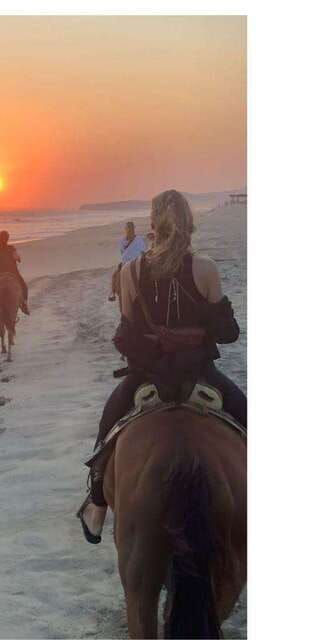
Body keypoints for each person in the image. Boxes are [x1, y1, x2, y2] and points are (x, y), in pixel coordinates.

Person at [79, 189, 246, 544]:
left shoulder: (130, 271)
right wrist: (199, 330)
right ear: (188, 222)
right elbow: (229, 333)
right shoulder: (204, 267)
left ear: (153, 224)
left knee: (107, 428)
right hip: (199, 374)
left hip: (147, 376)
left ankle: (96, 505)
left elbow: (126, 333)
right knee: (245, 417)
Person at [0, 231, 30, 316]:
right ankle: (24, 304)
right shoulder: (11, 248)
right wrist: (17, 258)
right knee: (24, 285)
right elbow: (18, 259)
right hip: (13, 272)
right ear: (7, 239)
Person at [109, 221, 147, 301]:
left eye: (131, 228)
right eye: (128, 228)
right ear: (125, 229)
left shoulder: (139, 240)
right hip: (125, 263)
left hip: (136, 262)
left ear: (134, 229)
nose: (129, 230)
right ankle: (112, 293)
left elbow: (143, 251)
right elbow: (123, 253)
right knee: (114, 275)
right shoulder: (122, 241)